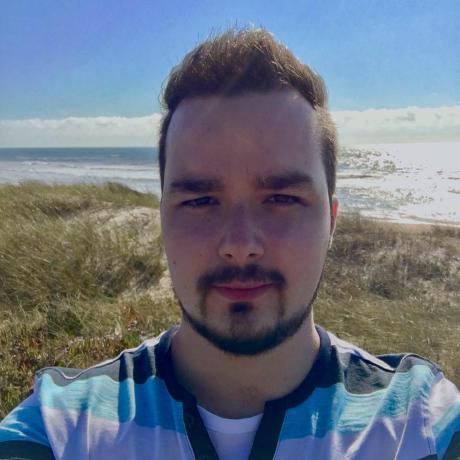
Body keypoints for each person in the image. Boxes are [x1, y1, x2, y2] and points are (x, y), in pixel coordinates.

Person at [0, 28, 458, 460]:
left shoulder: (418, 424)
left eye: (282, 198)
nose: (240, 245)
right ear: (163, 220)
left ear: (331, 222)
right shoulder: (63, 426)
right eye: (200, 201)